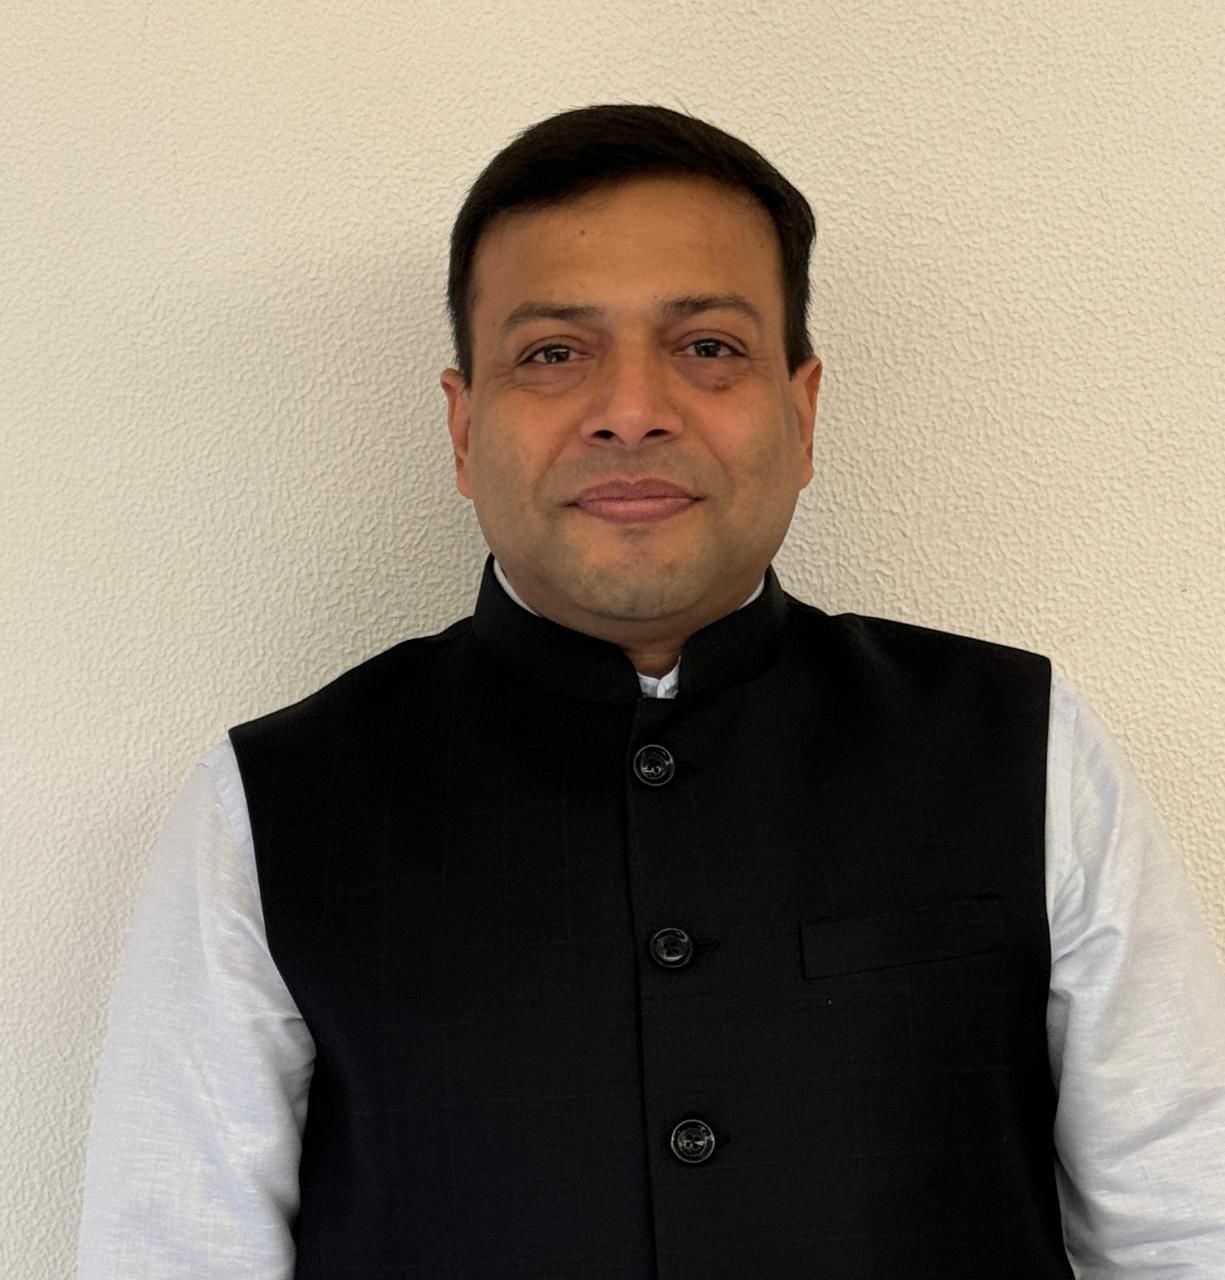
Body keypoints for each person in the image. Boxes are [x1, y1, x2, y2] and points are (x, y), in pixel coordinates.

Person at [77, 104, 1225, 1278]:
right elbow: (171, 1249)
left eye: (709, 347)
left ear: (803, 406)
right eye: (554, 353)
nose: (632, 409)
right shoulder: (267, 805)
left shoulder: (1017, 745)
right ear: (466, 427)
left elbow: (1187, 1223)